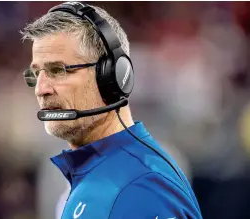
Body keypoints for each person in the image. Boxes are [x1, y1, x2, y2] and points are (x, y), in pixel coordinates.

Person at [20, 2, 203, 218]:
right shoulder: (99, 175)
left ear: (111, 76)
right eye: (36, 74)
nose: (41, 90)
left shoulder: (141, 187)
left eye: (57, 70)